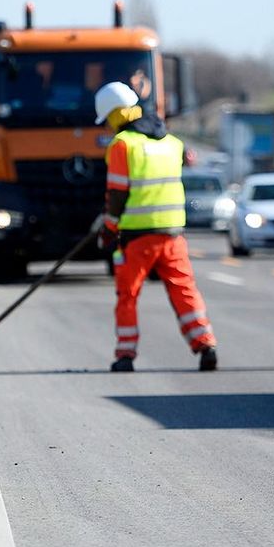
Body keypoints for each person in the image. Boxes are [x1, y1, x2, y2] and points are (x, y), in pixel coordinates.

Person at [94, 82, 218, 372]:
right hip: (173, 234)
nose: (109, 126)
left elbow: (118, 193)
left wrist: (108, 228)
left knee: (128, 294)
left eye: (110, 118)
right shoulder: (172, 143)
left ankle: (125, 355)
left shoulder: (123, 145)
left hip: (137, 237)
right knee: (184, 290)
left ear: (118, 113)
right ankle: (205, 343)